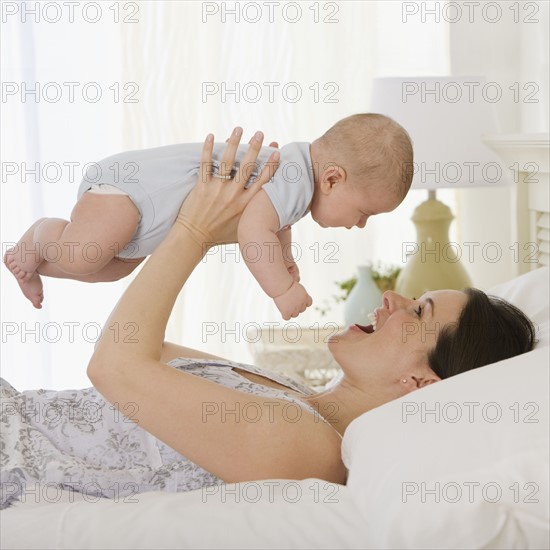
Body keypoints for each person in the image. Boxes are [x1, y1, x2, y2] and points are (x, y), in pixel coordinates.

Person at [0, 130, 535, 509]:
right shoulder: (292, 395)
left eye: (420, 312)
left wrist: (195, 229)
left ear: (420, 382)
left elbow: (114, 367)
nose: (394, 298)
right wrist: (188, 216)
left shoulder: (310, 446)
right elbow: (149, 353)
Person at [4, 114, 413, 320]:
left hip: (144, 222)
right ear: (333, 178)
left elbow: (272, 226)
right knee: (85, 255)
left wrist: (286, 262)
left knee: (113, 269)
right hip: (131, 193)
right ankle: (41, 234)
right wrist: (281, 290)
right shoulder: (293, 175)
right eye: (364, 213)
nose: (360, 225)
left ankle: (37, 263)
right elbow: (255, 231)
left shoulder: (296, 184)